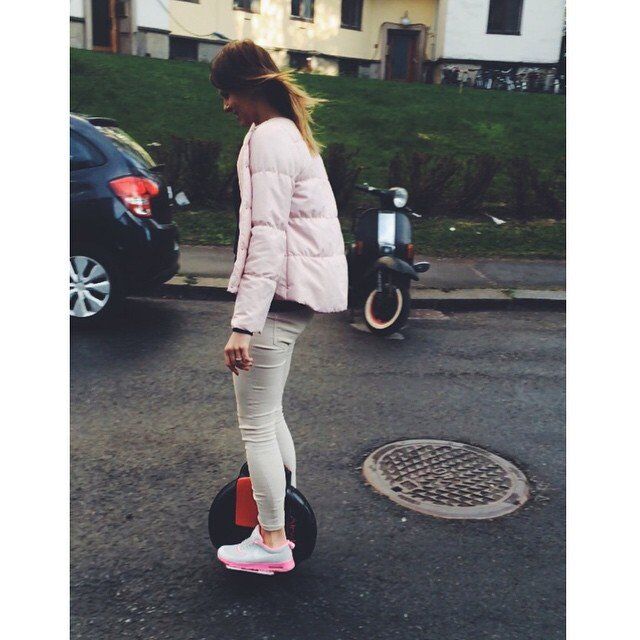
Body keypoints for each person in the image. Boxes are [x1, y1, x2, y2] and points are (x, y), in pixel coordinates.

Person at [209, 40, 348, 574]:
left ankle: (270, 541)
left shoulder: (268, 137)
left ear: (248, 86)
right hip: (293, 298)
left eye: (227, 93)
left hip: (276, 300)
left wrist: (243, 325)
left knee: (256, 426)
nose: (226, 106)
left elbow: (266, 236)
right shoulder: (288, 131)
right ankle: (281, 520)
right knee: (268, 417)